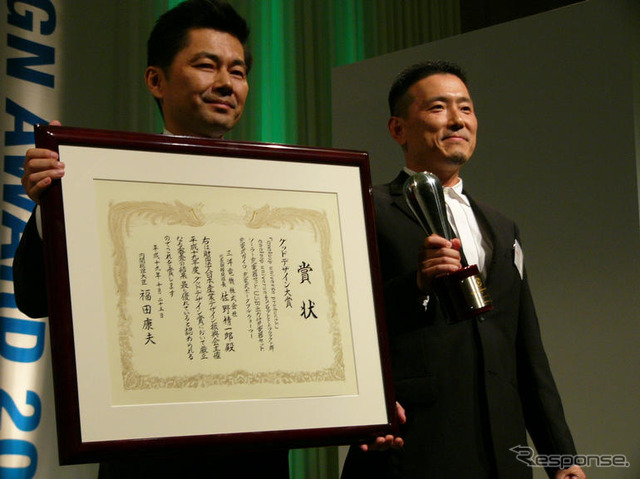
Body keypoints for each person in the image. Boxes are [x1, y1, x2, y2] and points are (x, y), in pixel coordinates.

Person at [13, 1, 290, 477]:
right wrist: (51, 203)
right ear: (156, 81)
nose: (227, 83)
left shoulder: (282, 192)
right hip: (146, 458)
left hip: (255, 458)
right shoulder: (104, 183)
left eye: (238, 71)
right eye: (207, 65)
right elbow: (34, 298)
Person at [340, 61, 586, 479]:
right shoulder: (365, 207)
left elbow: (525, 347)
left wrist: (561, 457)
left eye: (466, 108)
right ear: (398, 129)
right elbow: (342, 323)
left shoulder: (502, 226)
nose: (458, 120)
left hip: (502, 449)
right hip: (412, 445)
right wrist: (417, 284)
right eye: (438, 107)